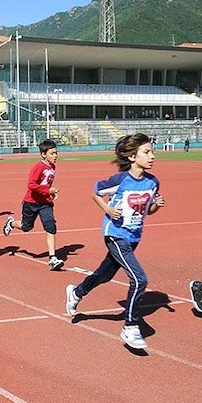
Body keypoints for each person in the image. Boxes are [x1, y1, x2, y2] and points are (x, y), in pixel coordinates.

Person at [65, 133, 166, 350]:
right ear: (131, 157)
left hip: (134, 236)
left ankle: (76, 292)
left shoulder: (153, 182)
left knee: (104, 275)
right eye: (147, 152)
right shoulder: (120, 180)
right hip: (115, 234)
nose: (152, 156)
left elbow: (148, 210)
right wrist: (108, 209)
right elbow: (96, 192)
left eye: (152, 151)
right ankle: (130, 326)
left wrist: (156, 204)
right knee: (139, 280)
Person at [2, 139, 64, 271]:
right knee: (26, 227)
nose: (55, 155)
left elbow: (46, 184)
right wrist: (48, 191)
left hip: (45, 203)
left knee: (50, 226)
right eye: (52, 153)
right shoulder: (38, 167)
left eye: (56, 153)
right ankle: (11, 223)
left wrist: (50, 194)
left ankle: (52, 258)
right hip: (31, 202)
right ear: (43, 154)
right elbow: (31, 185)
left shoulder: (53, 167)